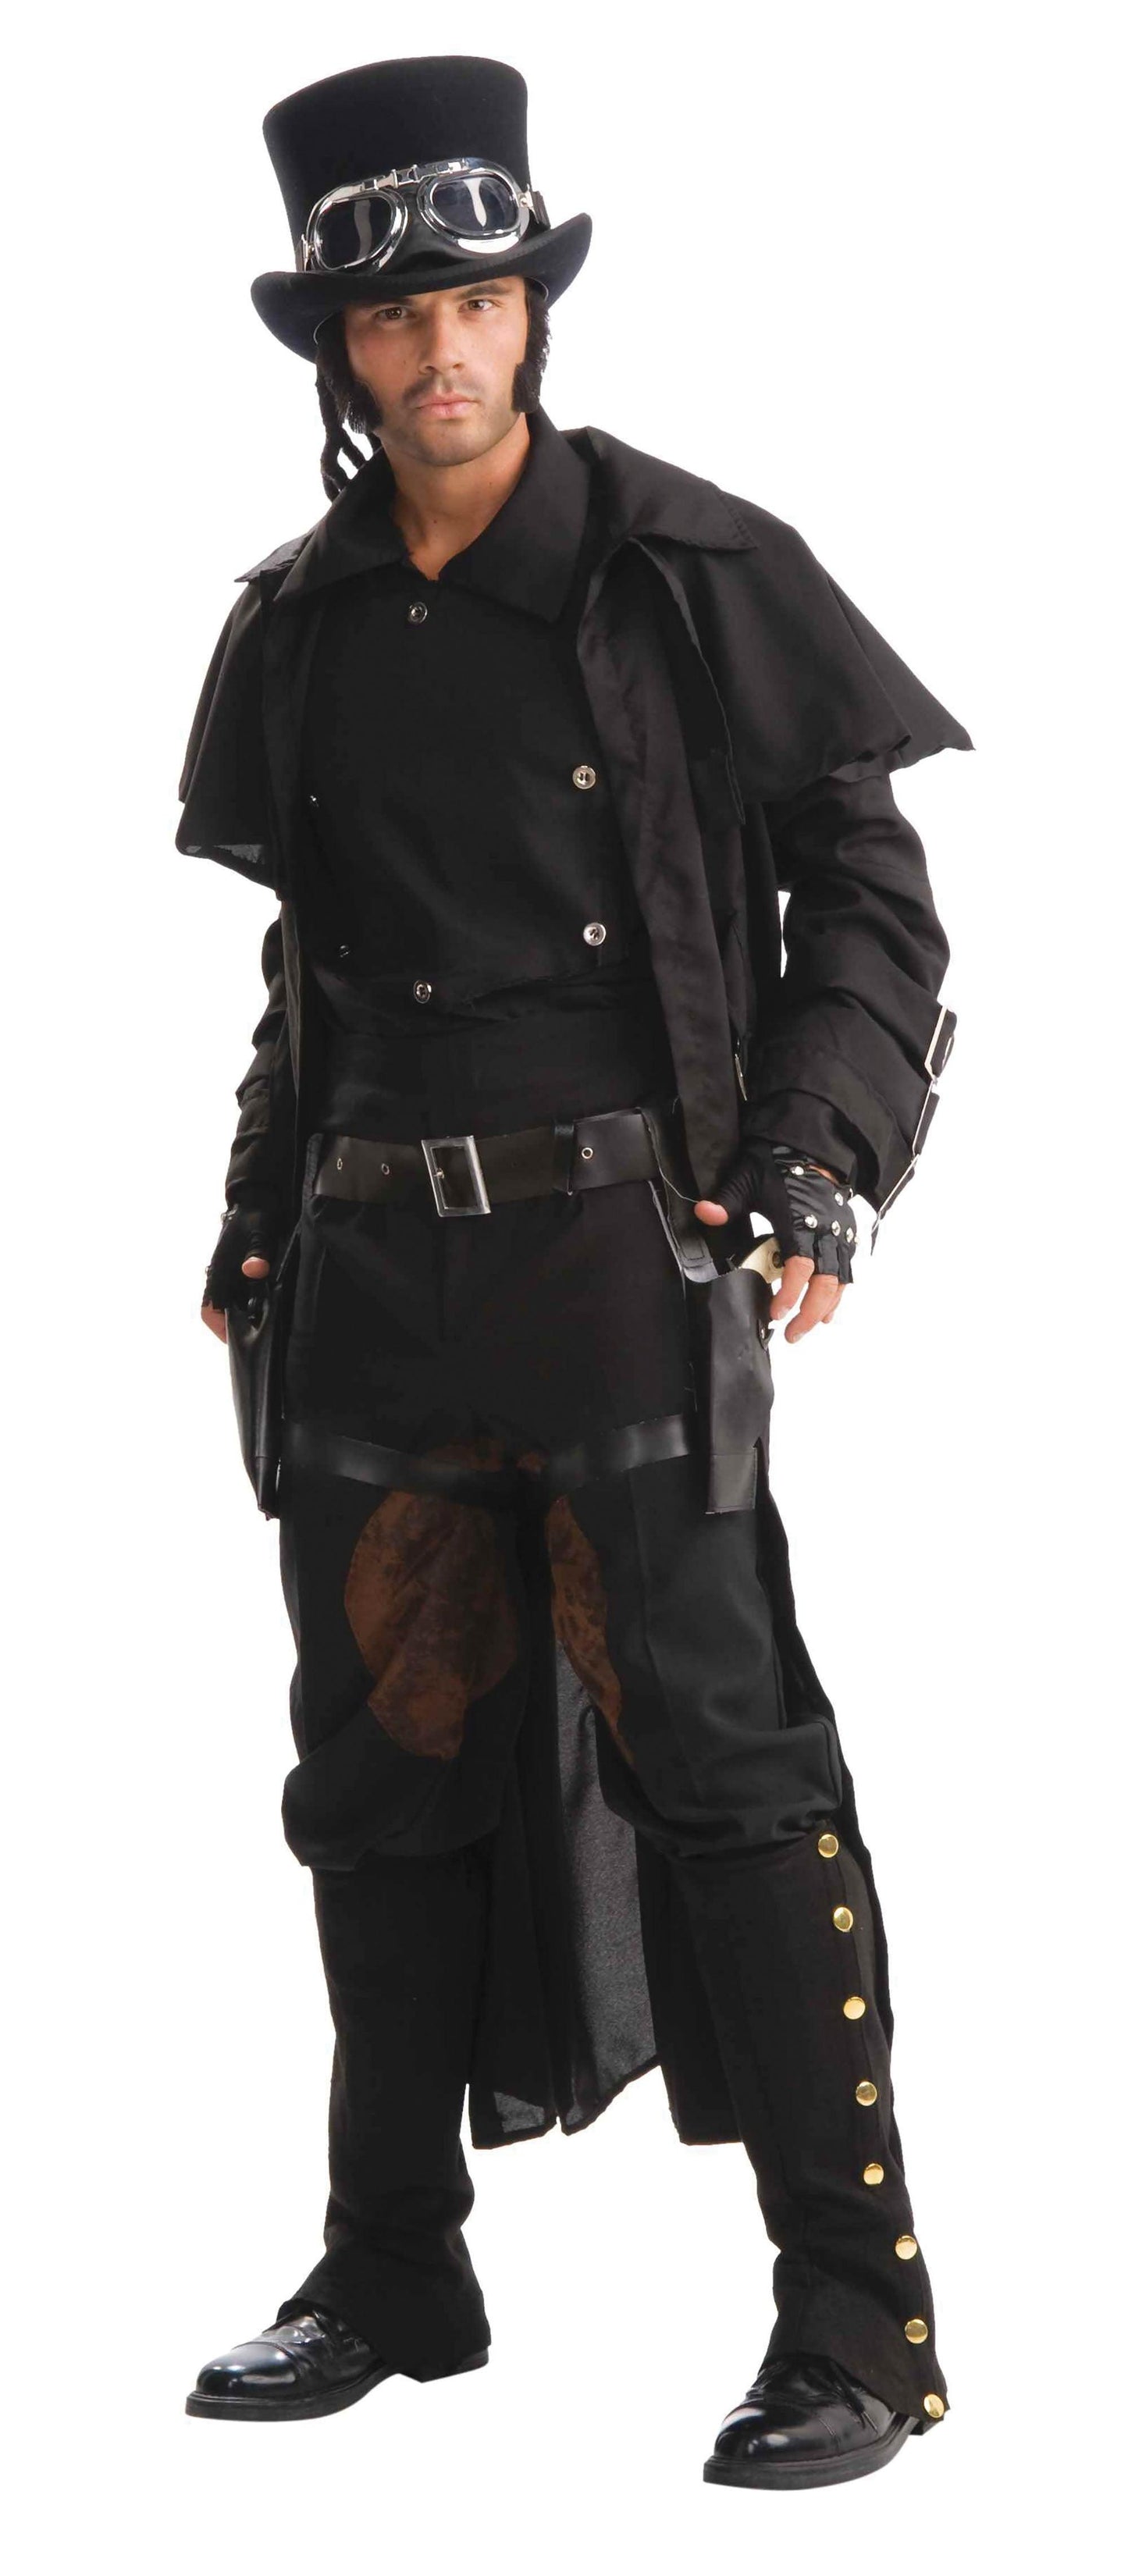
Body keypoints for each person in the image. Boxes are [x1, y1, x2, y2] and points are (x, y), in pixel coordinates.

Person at [176, 53, 969, 2487]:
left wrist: (816, 1163)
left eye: (476, 300)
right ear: (341, 343)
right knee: (376, 1778)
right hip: (371, 1284)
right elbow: (315, 967)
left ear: (531, 308)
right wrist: (253, 1210)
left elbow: (874, 898)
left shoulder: (687, 570)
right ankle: (392, 2265)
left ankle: (861, 2323)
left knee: (730, 1765)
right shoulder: (300, 623)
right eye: (394, 313)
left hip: (630, 1256)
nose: (441, 349)